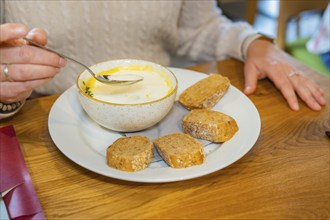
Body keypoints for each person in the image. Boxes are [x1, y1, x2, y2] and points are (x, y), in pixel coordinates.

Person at [0, 1, 326, 119]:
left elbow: (199, 28)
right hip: (41, 121)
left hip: (160, 114)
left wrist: (252, 43)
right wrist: (5, 92)